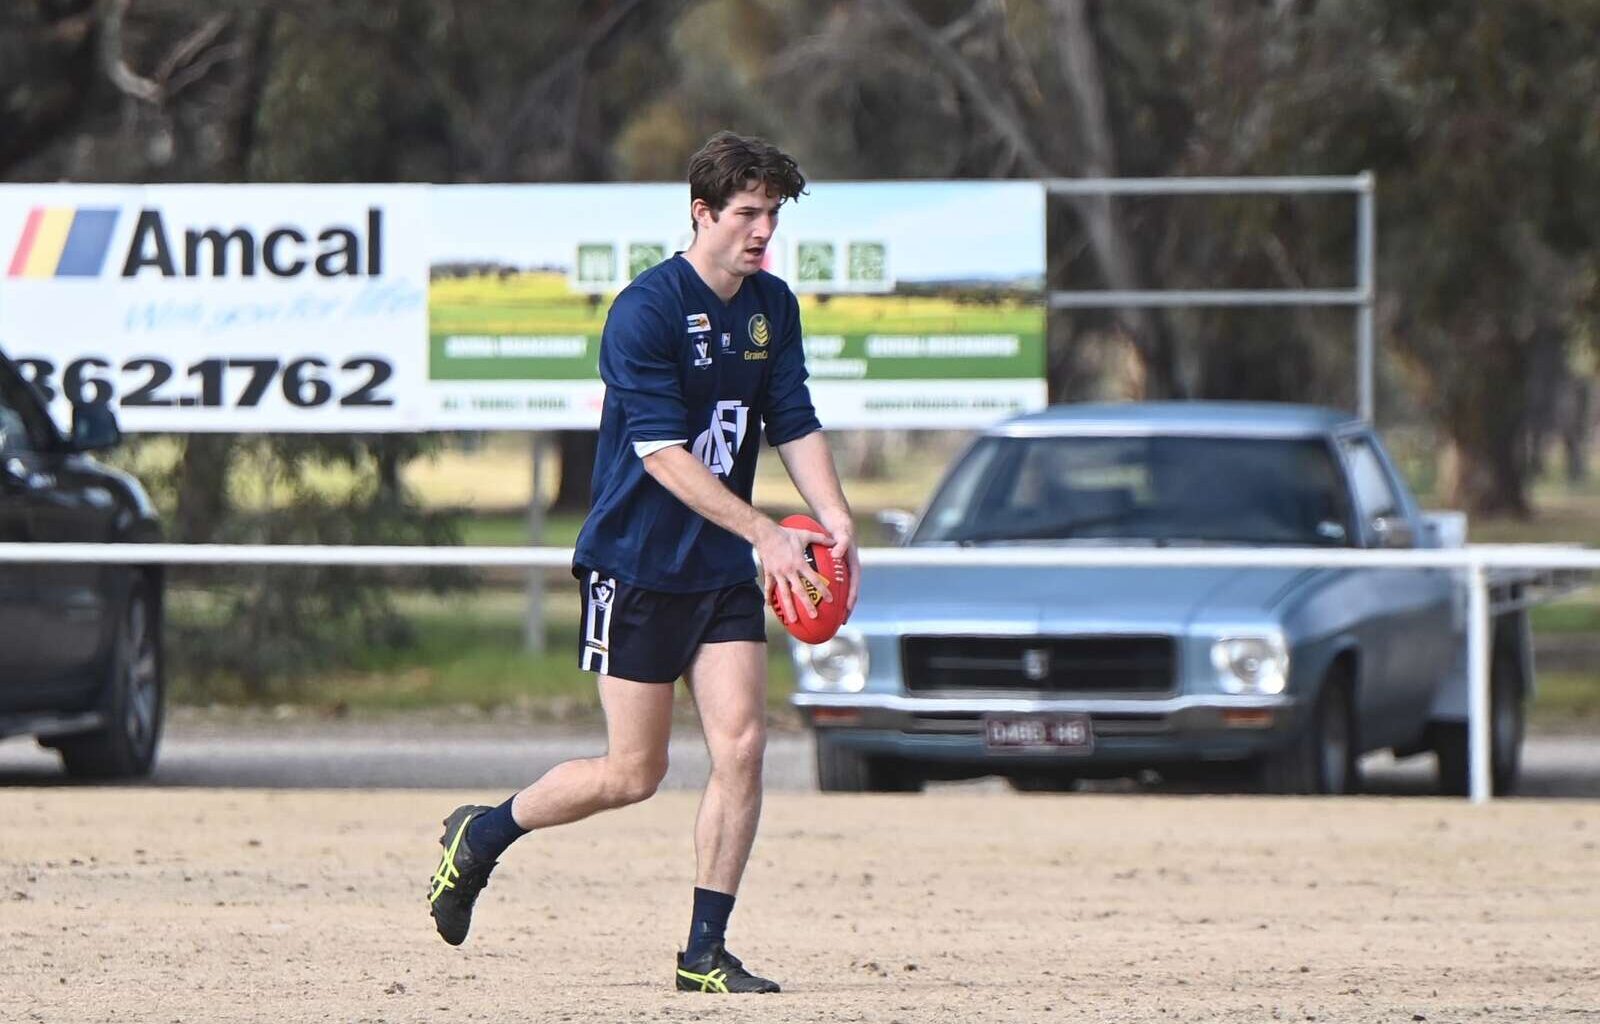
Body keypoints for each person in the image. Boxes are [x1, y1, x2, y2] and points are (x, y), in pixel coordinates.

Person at [426, 131, 859, 995]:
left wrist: (833, 520)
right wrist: (765, 534)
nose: (763, 230)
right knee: (635, 773)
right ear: (701, 213)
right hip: (634, 564)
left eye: (773, 213)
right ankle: (482, 835)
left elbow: (792, 418)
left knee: (743, 742)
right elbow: (663, 455)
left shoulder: (773, 304)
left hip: (722, 570)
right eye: (747, 213)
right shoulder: (647, 310)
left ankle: (704, 951)